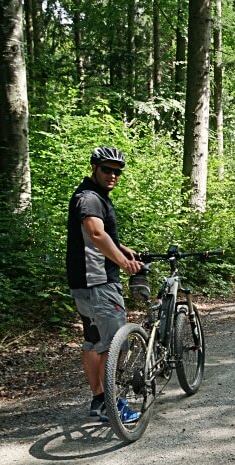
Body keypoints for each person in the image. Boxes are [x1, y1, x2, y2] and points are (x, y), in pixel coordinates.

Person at [66, 146, 143, 422]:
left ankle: (99, 400)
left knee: (93, 341)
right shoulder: (90, 198)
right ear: (94, 167)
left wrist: (121, 247)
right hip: (98, 281)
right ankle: (114, 406)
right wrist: (123, 262)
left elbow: (99, 234)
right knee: (114, 345)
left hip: (84, 282)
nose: (113, 175)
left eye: (117, 171)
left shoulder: (92, 196)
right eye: (107, 169)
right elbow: (96, 234)